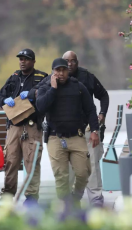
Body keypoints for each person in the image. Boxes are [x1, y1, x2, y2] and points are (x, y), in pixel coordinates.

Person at [36, 58, 100, 203]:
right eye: (58, 70)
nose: (61, 73)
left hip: (76, 136)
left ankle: (76, 197)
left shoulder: (78, 86)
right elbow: (41, 107)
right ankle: (66, 205)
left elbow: (90, 109)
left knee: (83, 173)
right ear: (53, 72)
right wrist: (53, 89)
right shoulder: (45, 87)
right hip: (55, 138)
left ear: (67, 70)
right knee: (61, 176)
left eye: (63, 69)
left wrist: (95, 130)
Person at [0, 48, 48, 205]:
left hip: (32, 126)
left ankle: (32, 197)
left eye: (26, 59)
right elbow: (0, 98)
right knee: (11, 160)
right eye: (20, 59)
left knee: (32, 161)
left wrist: (33, 93)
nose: (22, 61)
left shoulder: (42, 77)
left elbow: (48, 93)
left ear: (33, 61)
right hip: (14, 126)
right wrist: (5, 100)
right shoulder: (13, 77)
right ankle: (7, 195)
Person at [63, 50, 109, 207]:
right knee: (68, 167)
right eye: (66, 61)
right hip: (67, 131)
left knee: (93, 165)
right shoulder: (56, 78)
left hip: (88, 128)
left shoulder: (87, 77)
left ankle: (95, 198)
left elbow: (103, 95)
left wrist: (102, 114)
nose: (70, 64)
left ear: (77, 62)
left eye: (73, 61)